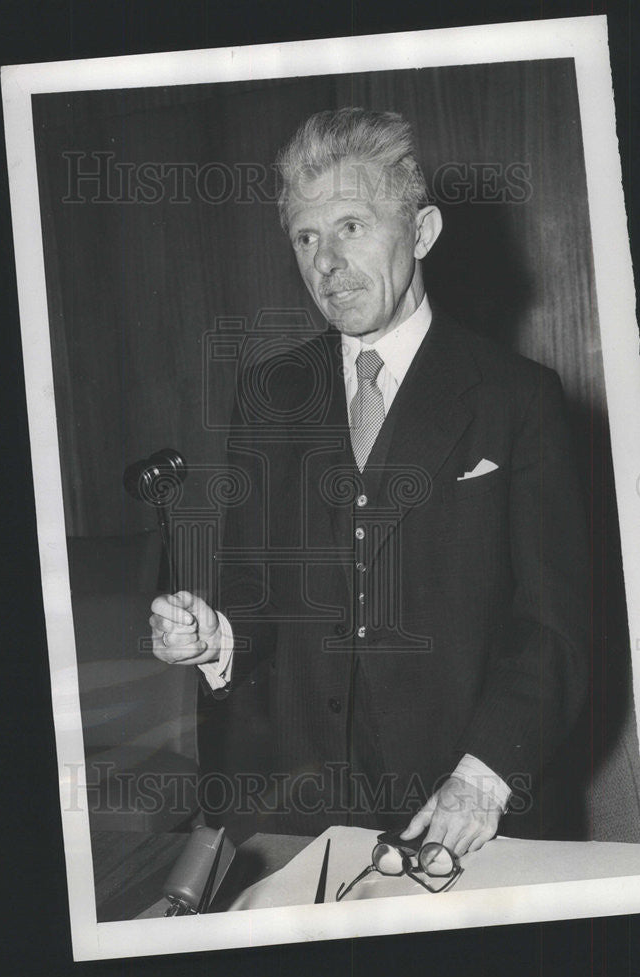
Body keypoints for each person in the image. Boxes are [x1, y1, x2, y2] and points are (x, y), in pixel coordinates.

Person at [149, 108, 590, 859]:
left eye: (351, 226)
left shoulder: (519, 396)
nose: (326, 261)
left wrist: (482, 776)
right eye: (306, 236)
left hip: (465, 813)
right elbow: (257, 598)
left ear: (420, 233)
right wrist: (216, 638)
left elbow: (554, 625)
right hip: (302, 817)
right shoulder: (268, 394)